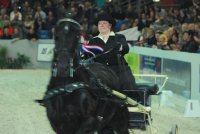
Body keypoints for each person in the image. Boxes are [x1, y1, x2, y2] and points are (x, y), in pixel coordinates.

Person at [81, 13, 137, 93]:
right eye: (99, 23)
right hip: (100, 73)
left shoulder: (119, 37)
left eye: (104, 23)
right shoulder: (93, 41)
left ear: (110, 26)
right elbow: (86, 56)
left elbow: (125, 48)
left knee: (129, 88)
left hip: (119, 71)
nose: (101, 25)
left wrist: (117, 47)